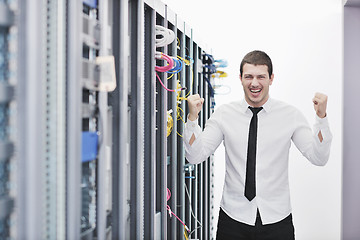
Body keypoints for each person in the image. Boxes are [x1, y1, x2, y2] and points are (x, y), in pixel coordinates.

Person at [183, 50, 332, 240]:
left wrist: (321, 119)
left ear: (271, 78)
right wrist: (193, 119)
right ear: (240, 78)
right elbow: (195, 156)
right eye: (249, 77)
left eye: (261, 76)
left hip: (277, 220)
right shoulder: (224, 114)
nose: (254, 83)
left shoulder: (290, 115)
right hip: (232, 218)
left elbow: (319, 158)